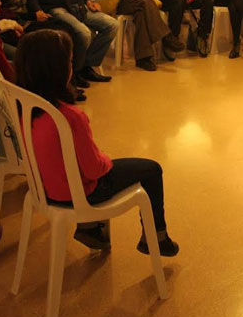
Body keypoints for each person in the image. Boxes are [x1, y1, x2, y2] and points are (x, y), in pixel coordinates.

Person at [16, 29, 179, 256]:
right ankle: (156, 239)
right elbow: (94, 170)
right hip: (80, 194)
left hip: (45, 189)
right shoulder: (71, 117)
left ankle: (92, 229)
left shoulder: (24, 106)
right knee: (151, 169)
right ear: (58, 69)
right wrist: (104, 158)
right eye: (70, 62)